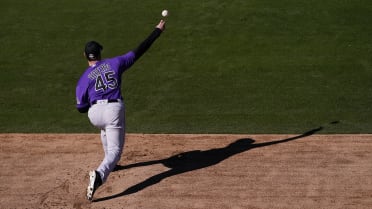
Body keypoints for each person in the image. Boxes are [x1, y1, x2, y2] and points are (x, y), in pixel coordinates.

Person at [75, 19, 166, 201]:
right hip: (113, 109)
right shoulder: (115, 63)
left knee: (104, 126)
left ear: (86, 56)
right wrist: (157, 30)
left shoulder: (84, 78)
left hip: (94, 114)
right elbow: (140, 50)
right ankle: (100, 175)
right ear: (100, 53)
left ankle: (111, 164)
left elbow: (80, 108)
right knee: (115, 152)